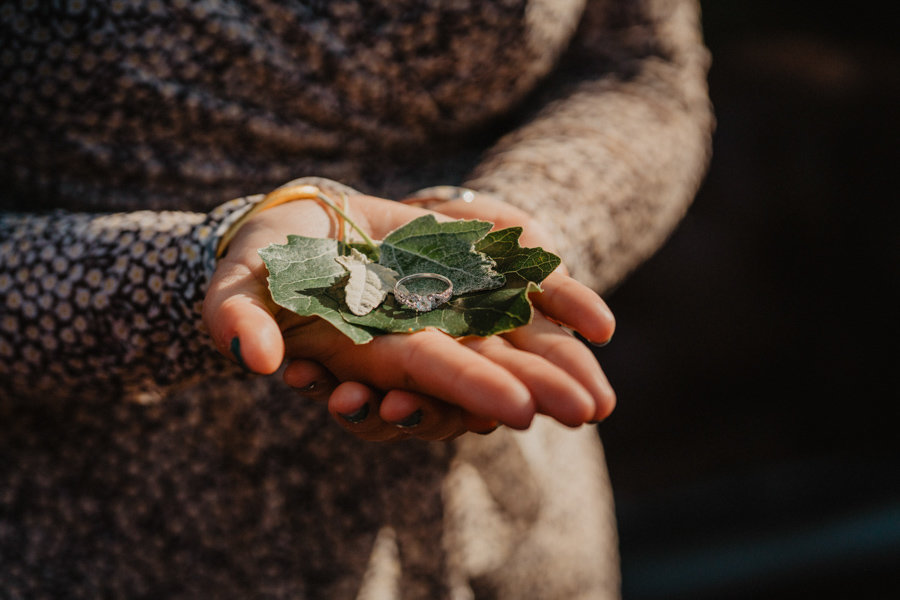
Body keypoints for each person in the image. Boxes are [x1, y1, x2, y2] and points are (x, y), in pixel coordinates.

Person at [0, 1, 713, 598]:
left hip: (507, 515)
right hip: (109, 536)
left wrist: (522, 210)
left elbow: (642, 69)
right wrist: (196, 270)